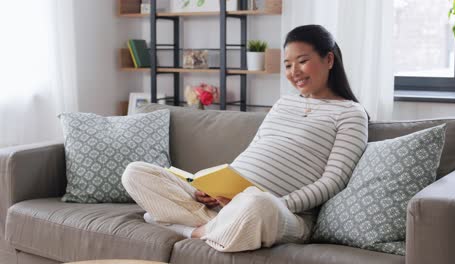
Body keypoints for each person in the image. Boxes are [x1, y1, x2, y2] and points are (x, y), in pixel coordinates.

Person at [121, 24, 368, 252]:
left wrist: (280, 203)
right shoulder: (283, 104)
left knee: (257, 203)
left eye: (302, 61)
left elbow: (333, 181)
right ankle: (220, 226)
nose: (294, 72)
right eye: (288, 65)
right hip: (227, 204)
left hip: (281, 213)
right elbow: (254, 152)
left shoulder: (351, 114)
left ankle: (188, 229)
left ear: (329, 59)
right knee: (135, 172)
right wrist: (211, 188)